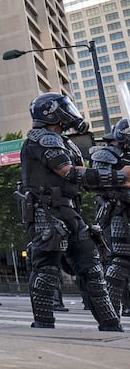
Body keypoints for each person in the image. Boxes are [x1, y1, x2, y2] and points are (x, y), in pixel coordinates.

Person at [18, 93, 125, 331]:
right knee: (46, 270)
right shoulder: (42, 139)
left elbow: (82, 178)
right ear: (51, 113)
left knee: (92, 268)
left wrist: (114, 182)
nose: (70, 113)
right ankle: (44, 325)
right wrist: (120, 176)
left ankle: (110, 324)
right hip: (46, 213)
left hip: (70, 211)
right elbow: (69, 172)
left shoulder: (64, 141)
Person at [89, 118, 130, 318]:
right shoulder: (105, 155)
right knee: (120, 261)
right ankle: (111, 311)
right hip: (116, 214)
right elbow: (98, 184)